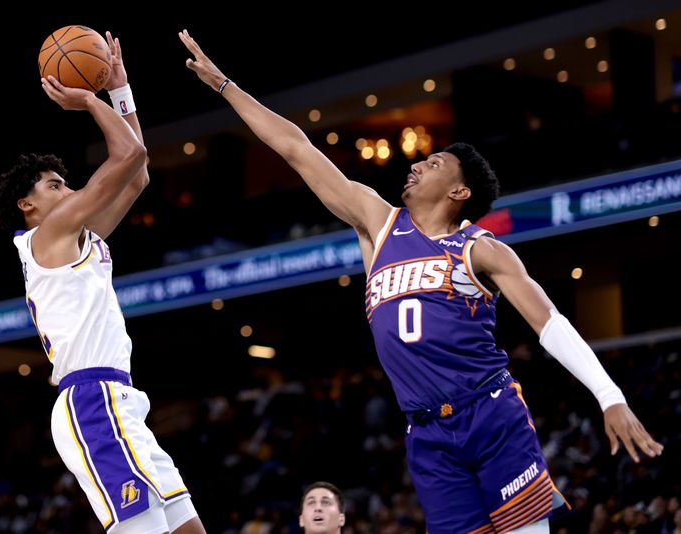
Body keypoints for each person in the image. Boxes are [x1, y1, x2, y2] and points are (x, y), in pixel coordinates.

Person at [178, 30, 664, 534]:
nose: (415, 164)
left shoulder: (482, 250)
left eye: (432, 164)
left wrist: (610, 397)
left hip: (490, 413)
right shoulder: (378, 223)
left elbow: (549, 321)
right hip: (427, 434)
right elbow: (296, 149)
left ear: (459, 190)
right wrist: (224, 85)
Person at [0, 32, 206, 534]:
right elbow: (127, 155)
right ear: (29, 206)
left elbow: (138, 174)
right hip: (91, 400)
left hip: (121, 400)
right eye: (54, 185)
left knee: (189, 530)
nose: (67, 191)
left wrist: (121, 88)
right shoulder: (48, 235)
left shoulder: (74, 236)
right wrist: (91, 98)